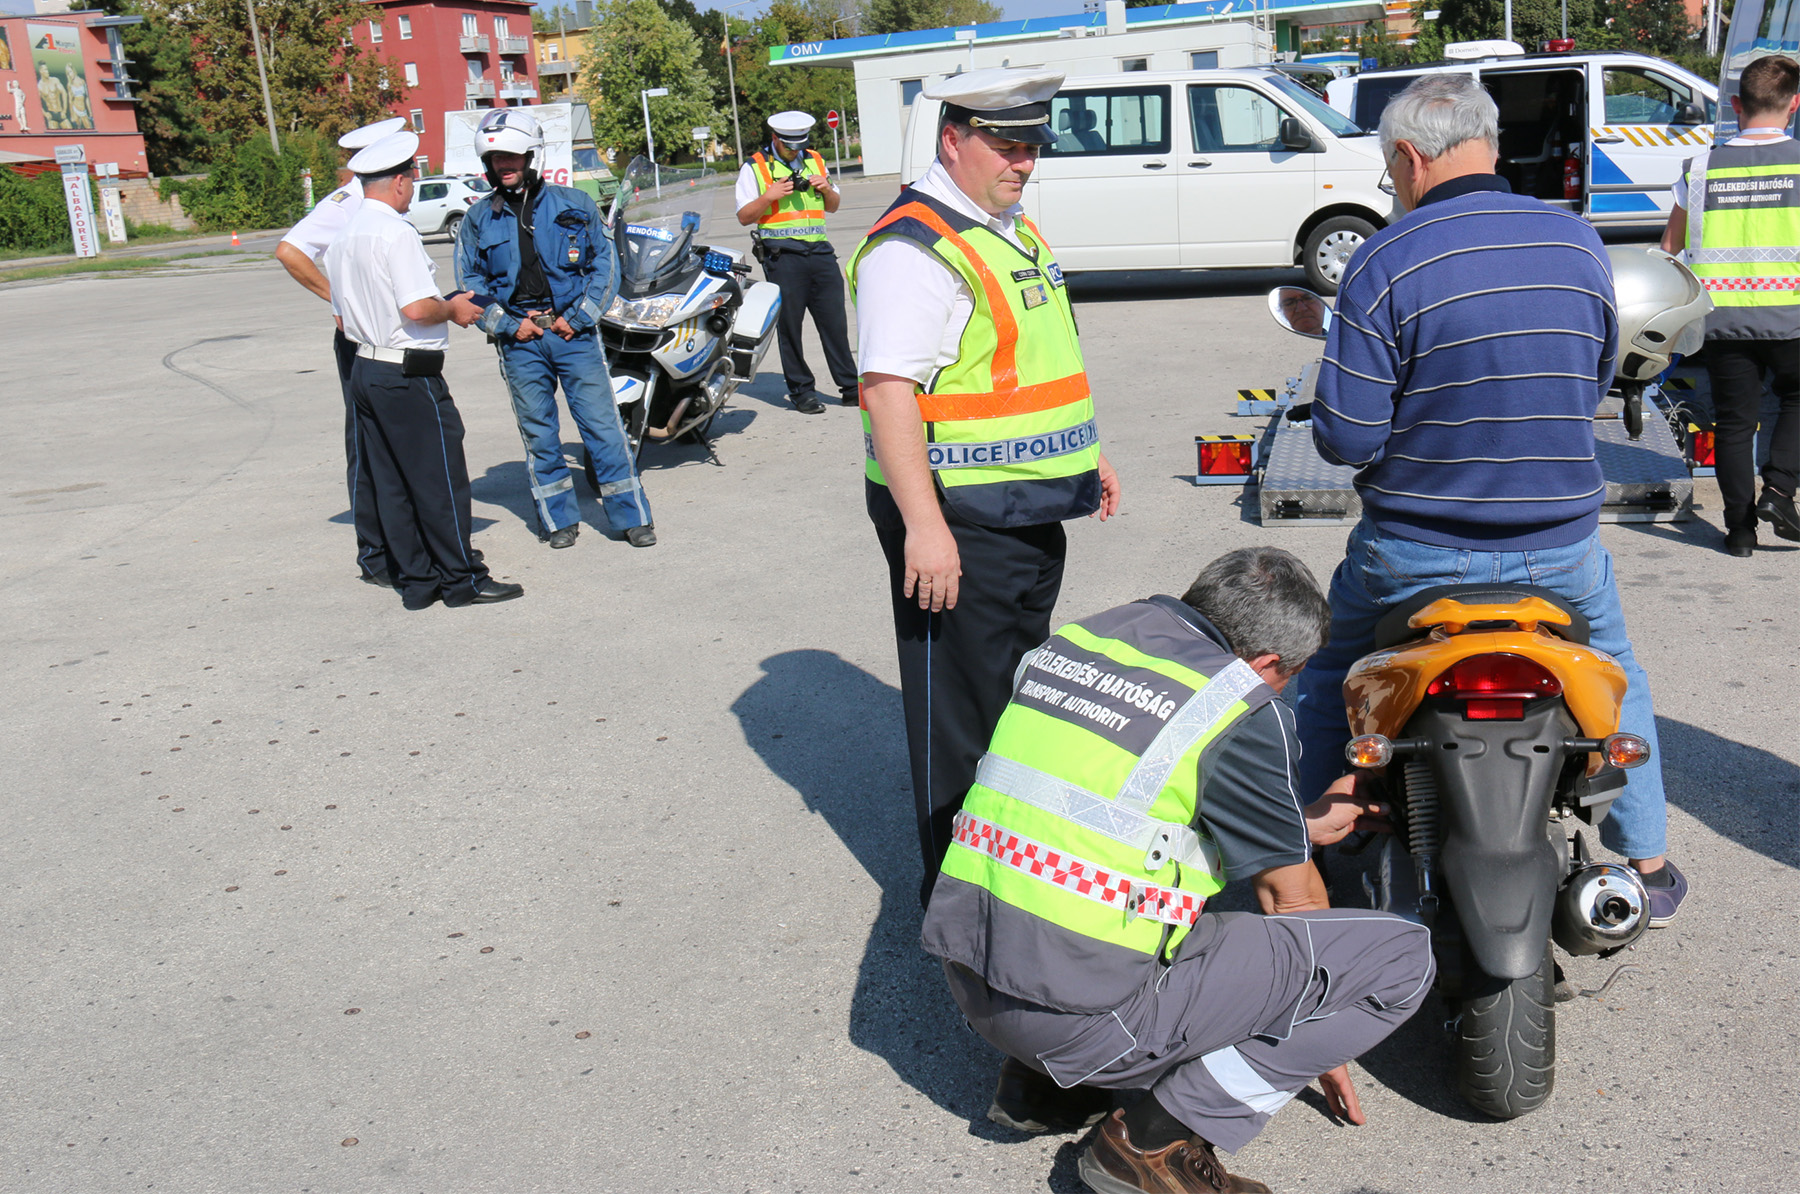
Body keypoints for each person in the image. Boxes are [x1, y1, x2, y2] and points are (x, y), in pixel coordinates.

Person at [1295, 73, 1688, 923]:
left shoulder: (1384, 260)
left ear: (1408, 157)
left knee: (1329, 670)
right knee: (1618, 674)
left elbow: (1347, 439)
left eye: (1389, 171)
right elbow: (1591, 382)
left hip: (1413, 555)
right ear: (1491, 146)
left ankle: (1303, 851)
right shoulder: (1578, 243)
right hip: (1561, 551)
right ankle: (1649, 864)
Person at [922, 547, 1434, 1194]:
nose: (1282, 689)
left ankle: (1042, 1088)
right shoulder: (1241, 704)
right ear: (1268, 664)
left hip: (974, 977)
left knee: (1112, 891)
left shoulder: (1088, 640)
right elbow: (1292, 904)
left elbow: (1103, 814)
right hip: (1079, 1024)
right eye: (1289, 677)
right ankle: (1153, 1141)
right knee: (1400, 960)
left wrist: (1294, 826)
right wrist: (1318, 1026)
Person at [849, 67, 1123, 908]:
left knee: (1013, 702)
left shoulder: (1005, 226)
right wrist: (924, 528)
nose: (1023, 162)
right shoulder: (913, 248)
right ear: (952, 139)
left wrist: (1086, 456)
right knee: (959, 718)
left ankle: (1008, 874)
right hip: (959, 517)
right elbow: (887, 392)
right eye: (1006, 145)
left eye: (1032, 146)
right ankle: (958, 906)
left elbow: (1035, 361)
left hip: (1026, 507)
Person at [323, 130, 523, 611]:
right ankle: (462, 580)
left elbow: (342, 319)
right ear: (398, 182)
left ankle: (417, 581)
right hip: (406, 374)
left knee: (391, 482)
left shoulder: (343, 237)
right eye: (411, 180)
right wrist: (453, 309)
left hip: (366, 367)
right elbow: (416, 308)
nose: (411, 189)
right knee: (440, 480)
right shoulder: (395, 233)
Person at [455, 108, 654, 550]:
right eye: (495, 159)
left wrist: (579, 317)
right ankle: (558, 519)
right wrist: (508, 325)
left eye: (511, 157)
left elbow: (605, 266)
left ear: (532, 156)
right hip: (520, 343)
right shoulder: (477, 219)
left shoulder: (575, 204)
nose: (503, 166)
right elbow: (470, 284)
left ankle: (632, 517)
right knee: (540, 435)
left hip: (573, 335)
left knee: (603, 428)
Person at [1660, 53, 1800, 557]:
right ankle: (1779, 490)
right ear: (1794, 104)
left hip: (1721, 319)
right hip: (1792, 317)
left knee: (1734, 423)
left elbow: (1670, 247)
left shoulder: (1699, 168)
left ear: (1737, 105)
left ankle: (1739, 532)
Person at [275, 116, 409, 588]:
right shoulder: (348, 202)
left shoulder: (377, 203)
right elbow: (290, 250)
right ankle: (375, 553)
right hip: (360, 338)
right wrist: (338, 300)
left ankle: (406, 542)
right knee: (368, 442)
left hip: (389, 336)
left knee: (398, 442)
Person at [734, 111, 860, 414]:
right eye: (789, 146)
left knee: (835, 323)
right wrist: (770, 196)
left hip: (820, 253)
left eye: (799, 145)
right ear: (775, 138)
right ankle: (802, 391)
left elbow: (833, 206)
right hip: (783, 257)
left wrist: (826, 189)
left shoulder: (814, 159)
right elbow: (744, 216)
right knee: (790, 328)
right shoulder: (755, 167)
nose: (795, 151)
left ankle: (851, 388)